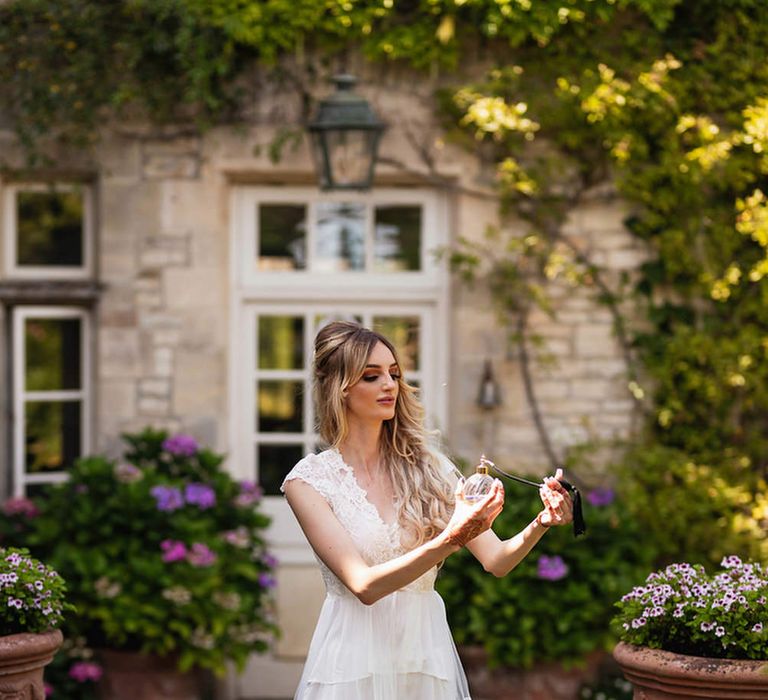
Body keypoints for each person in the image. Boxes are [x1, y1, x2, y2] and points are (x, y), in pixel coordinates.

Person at [282, 321, 574, 700]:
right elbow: (364, 586)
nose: (389, 384)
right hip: (352, 664)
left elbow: (497, 560)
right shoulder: (309, 481)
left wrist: (541, 522)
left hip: (424, 658)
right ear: (340, 387)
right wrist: (451, 539)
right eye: (372, 376)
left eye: (394, 373)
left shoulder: (430, 468)